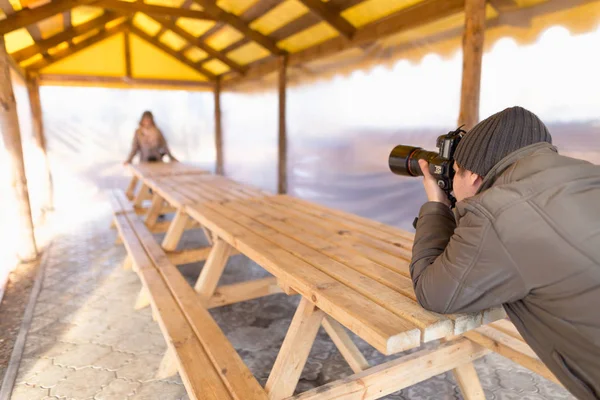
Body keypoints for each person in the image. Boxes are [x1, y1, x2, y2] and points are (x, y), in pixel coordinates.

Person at [411, 106, 600, 400]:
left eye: (456, 171)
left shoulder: (497, 212)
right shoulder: (589, 174)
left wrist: (436, 203)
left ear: (472, 176)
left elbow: (434, 293)